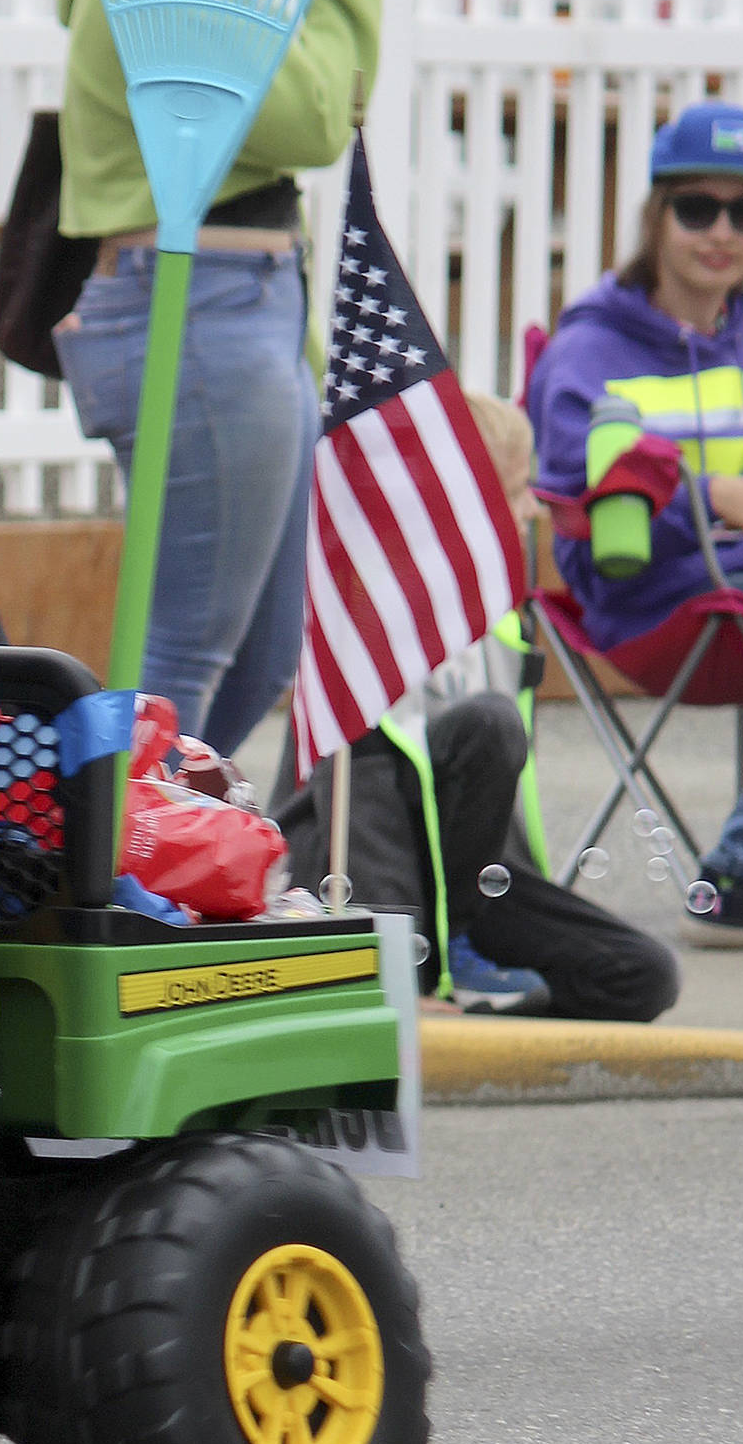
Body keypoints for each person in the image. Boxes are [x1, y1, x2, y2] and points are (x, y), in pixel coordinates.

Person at [48, 0, 380, 755]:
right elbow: (318, 117)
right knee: (183, 655)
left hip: (242, 300)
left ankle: (155, 832)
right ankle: (117, 855)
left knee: (261, 655)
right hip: (197, 305)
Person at [271, 395, 679, 1021]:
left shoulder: (500, 619)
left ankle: (471, 1018)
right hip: (353, 886)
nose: (534, 508)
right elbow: (361, 802)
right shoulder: (365, 613)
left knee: (644, 976)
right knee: (489, 721)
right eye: (518, 490)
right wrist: (392, 962)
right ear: (464, 508)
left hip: (468, 880)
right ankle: (412, 983)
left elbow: (494, 804)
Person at [528, 100, 743, 946]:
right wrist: (711, 499)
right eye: (698, 207)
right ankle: (736, 870)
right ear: (657, 215)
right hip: (648, 602)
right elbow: (586, 507)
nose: (721, 231)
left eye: (742, 210)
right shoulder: (592, 347)